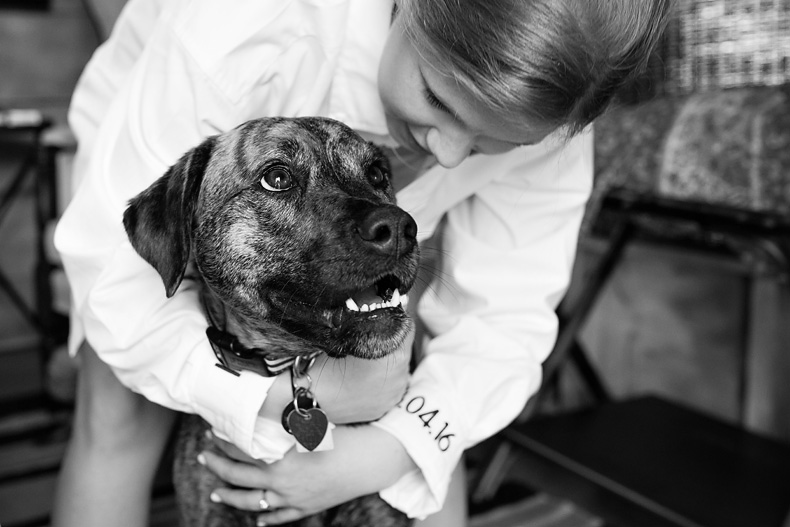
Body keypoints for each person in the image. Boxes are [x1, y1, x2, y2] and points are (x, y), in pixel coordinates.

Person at [51, 0, 671, 526]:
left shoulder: (555, 109)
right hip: (158, 139)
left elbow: (503, 322)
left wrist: (388, 450)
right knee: (119, 411)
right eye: (437, 98)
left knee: (428, 438)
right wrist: (278, 398)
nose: (451, 155)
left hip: (327, 232)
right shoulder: (242, 25)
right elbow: (115, 285)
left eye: (496, 142)